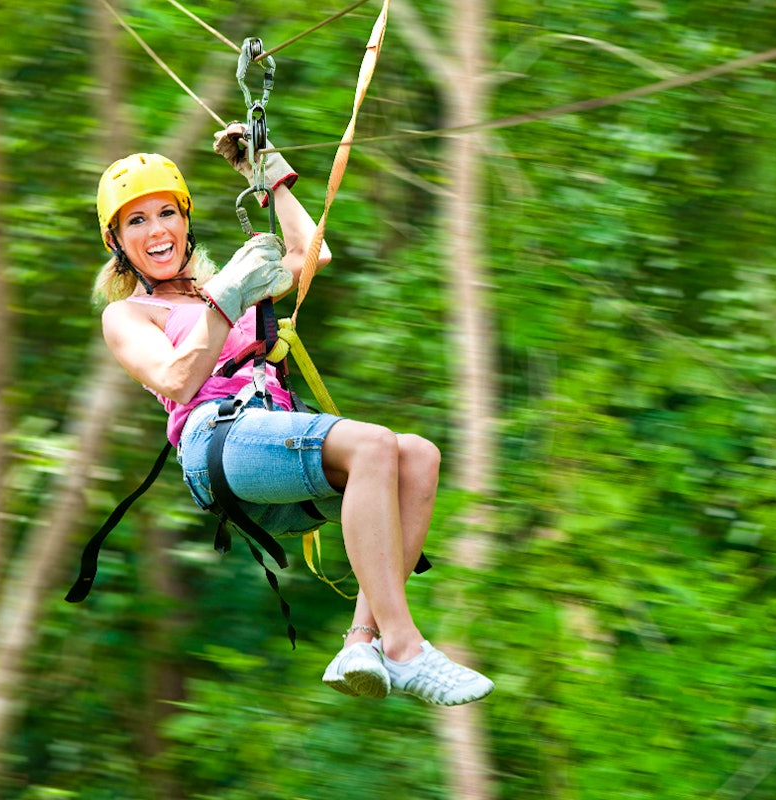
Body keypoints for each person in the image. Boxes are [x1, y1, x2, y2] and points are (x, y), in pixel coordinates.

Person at [92, 127, 492, 706]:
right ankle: (406, 648)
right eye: (136, 221)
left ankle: (363, 641)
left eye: (165, 213)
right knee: (375, 444)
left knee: (418, 457)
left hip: (274, 440)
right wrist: (227, 297)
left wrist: (269, 174)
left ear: (185, 219)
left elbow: (314, 253)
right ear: (117, 242)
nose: (156, 230)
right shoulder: (130, 315)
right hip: (218, 443)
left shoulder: (229, 281)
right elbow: (178, 378)